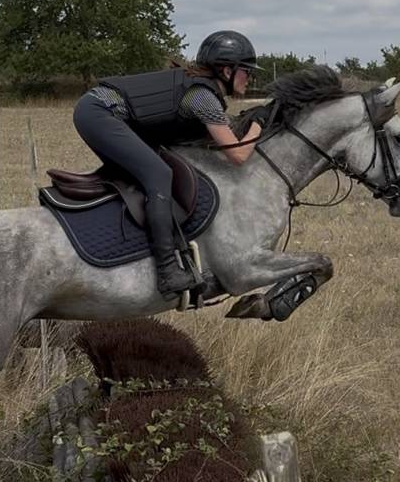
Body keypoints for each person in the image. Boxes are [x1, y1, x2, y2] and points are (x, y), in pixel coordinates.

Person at [72, 30, 265, 298]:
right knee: (159, 174)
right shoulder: (202, 96)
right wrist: (258, 123)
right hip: (98, 112)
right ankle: (167, 271)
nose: (250, 77)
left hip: (102, 112)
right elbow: (238, 155)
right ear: (226, 70)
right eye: (247, 71)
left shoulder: (202, 91)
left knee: (156, 170)